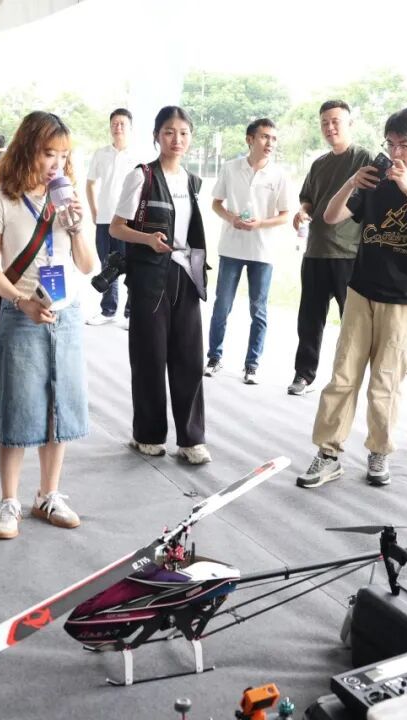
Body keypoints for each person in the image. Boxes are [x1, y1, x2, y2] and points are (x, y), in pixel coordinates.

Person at [297, 107, 407, 489]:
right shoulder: (374, 182)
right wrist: (352, 182)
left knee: (385, 381)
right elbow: (330, 217)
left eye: (405, 145)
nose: (396, 153)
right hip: (361, 289)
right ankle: (328, 453)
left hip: (404, 299)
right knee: (343, 375)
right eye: (390, 144)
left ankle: (379, 451)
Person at [0, 111, 95, 539]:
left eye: (63, 155)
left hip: (66, 313)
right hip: (21, 311)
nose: (56, 164)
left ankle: (49, 494)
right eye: (48, 153)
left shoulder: (68, 198)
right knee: (17, 406)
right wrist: (20, 301)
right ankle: (9, 501)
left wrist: (76, 228)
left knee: (59, 405)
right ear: (28, 149)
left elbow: (88, 265)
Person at [110, 106, 211, 465]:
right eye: (169, 132)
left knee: (189, 358)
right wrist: (147, 240)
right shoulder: (142, 176)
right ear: (156, 136)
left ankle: (191, 439)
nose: (177, 139)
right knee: (149, 357)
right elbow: (116, 227)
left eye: (183, 132)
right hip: (150, 277)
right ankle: (148, 435)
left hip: (186, 275)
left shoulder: (192, 181)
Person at [288, 101, 374, 396]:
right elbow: (308, 199)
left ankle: (349, 379)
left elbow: (374, 201)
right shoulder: (319, 164)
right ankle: (303, 375)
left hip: (348, 254)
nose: (330, 127)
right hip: (315, 251)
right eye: (325, 122)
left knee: (351, 322)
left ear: (350, 123)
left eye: (336, 121)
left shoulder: (364, 158)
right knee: (309, 319)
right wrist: (302, 212)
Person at [204, 118, 290, 384]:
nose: (270, 143)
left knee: (259, 311)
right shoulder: (230, 168)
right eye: (264, 137)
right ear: (250, 139)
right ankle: (214, 357)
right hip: (231, 247)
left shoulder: (279, 174)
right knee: (222, 306)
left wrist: (260, 224)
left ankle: (252, 365)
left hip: (262, 252)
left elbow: (285, 215)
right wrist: (232, 219)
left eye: (273, 138)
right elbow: (216, 204)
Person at [85, 108, 136, 327]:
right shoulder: (101, 154)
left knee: (132, 266)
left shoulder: (138, 155)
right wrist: (94, 212)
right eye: (115, 123)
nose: (118, 127)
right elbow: (90, 184)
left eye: (123, 123)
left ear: (130, 127)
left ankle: (131, 313)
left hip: (129, 221)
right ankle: (108, 310)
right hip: (105, 219)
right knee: (107, 264)